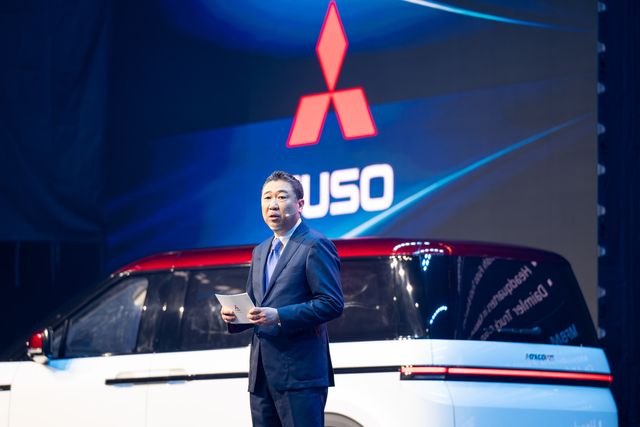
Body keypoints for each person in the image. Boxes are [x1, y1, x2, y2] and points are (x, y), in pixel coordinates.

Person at [221, 171, 344, 427]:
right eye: (267, 197)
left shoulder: (315, 245)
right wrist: (235, 316)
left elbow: (331, 303)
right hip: (261, 376)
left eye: (281, 196)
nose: (273, 204)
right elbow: (255, 304)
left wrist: (279, 316)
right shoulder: (260, 250)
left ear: (300, 204)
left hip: (300, 376)